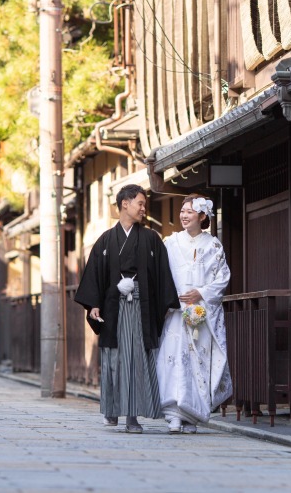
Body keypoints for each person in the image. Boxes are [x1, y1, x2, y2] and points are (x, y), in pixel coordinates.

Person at [74, 184, 180, 433]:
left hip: (140, 305)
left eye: (144, 204)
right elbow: (94, 275)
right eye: (140, 203)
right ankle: (111, 409)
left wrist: (162, 305)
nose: (144, 208)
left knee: (136, 359)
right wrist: (95, 304)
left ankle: (132, 417)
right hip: (113, 305)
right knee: (114, 358)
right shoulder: (106, 240)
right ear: (125, 204)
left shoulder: (151, 238)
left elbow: (162, 275)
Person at [156, 194, 233, 434]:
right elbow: (162, 274)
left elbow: (222, 278)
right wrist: (171, 299)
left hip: (200, 312)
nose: (183, 215)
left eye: (189, 211)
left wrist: (200, 292)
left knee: (198, 361)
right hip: (176, 312)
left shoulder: (213, 245)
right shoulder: (170, 242)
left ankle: (192, 415)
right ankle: (173, 414)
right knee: (174, 359)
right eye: (182, 210)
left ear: (202, 216)